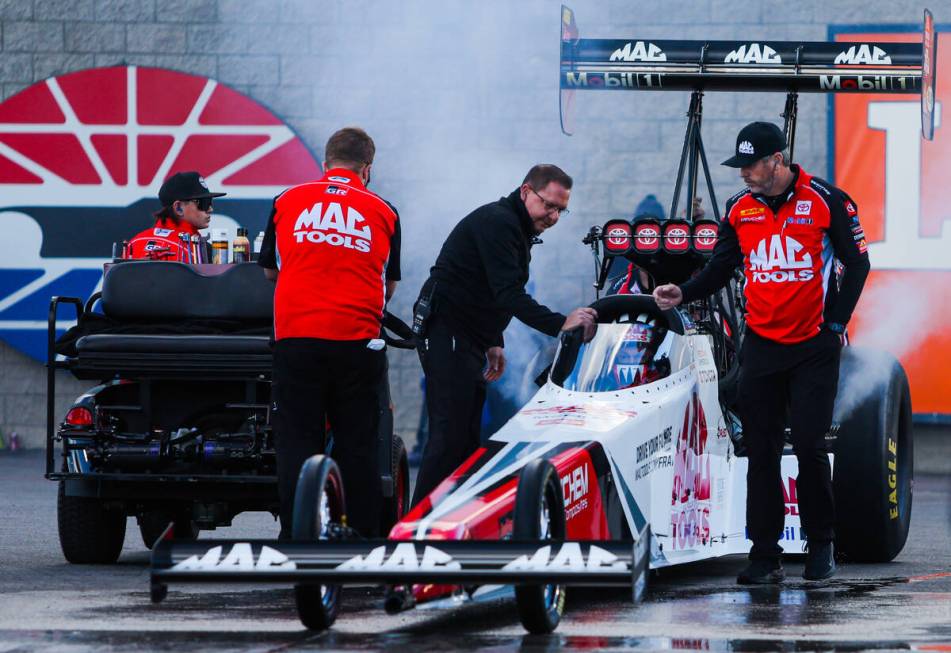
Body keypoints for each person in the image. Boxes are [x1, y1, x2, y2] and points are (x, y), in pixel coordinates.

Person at [653, 121, 870, 584]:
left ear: (778, 160)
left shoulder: (828, 200)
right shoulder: (738, 209)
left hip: (814, 345)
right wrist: (683, 292)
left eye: (751, 165)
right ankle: (765, 554)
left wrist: (835, 323)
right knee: (761, 450)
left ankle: (822, 545)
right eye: (740, 165)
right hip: (763, 346)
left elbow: (858, 262)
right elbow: (721, 267)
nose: (744, 173)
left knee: (810, 446)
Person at [411, 164, 597, 507]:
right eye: (548, 205)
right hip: (446, 327)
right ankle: (418, 525)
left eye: (561, 210)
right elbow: (508, 293)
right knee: (449, 435)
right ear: (526, 190)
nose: (554, 216)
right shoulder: (499, 222)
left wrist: (494, 339)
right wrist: (561, 323)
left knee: (466, 436)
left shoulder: (516, 225)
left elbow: (485, 284)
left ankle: (451, 515)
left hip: (469, 334)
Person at [258, 127, 401, 538]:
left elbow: (270, 269)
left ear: (325, 164)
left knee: (297, 444)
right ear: (367, 169)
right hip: (357, 343)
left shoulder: (287, 201)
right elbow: (387, 286)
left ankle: (298, 536)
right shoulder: (384, 211)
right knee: (358, 444)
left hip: (296, 339)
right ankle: (360, 537)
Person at [127, 171, 224, 260]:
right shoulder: (200, 251)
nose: (210, 209)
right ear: (178, 208)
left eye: (210, 202)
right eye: (204, 203)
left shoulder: (134, 243)